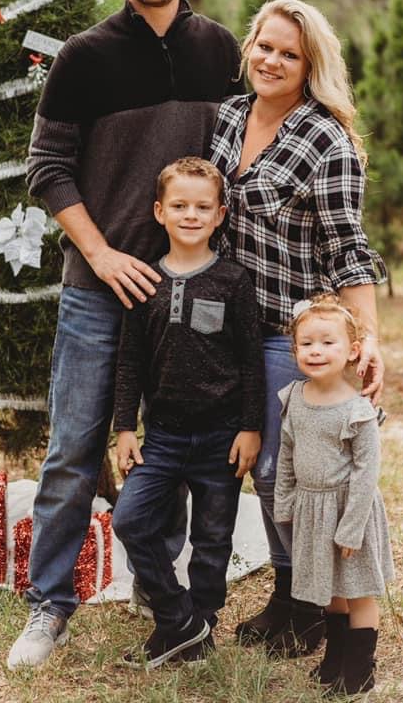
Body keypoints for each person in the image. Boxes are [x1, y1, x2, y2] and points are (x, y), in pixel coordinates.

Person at [8, 0, 241, 670]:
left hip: (187, 291)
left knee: (172, 439)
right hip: (98, 288)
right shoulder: (84, 56)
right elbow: (46, 167)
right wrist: (102, 253)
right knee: (75, 448)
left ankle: (155, 583)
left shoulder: (220, 50)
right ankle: (50, 604)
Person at [208, 0, 387, 656]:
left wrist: (366, 338)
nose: (273, 61)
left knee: (290, 468)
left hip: (292, 333)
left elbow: (348, 249)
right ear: (249, 47)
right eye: (265, 46)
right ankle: (290, 593)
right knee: (253, 468)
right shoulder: (228, 117)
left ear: (310, 66)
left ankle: (310, 605)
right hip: (228, 329)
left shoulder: (324, 139)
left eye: (290, 54)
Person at [111, 157, 265, 668]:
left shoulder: (233, 281)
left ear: (220, 215)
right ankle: (178, 618)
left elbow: (251, 362)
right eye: (179, 206)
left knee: (212, 539)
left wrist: (251, 427)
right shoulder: (145, 282)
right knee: (131, 520)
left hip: (222, 436)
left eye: (202, 207)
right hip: (163, 437)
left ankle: (201, 626)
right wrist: (124, 428)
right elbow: (129, 362)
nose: (191, 215)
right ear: (160, 212)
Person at [274, 293, 394, 695]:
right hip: (312, 509)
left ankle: (359, 670)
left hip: (348, 511)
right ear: (294, 350)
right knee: (329, 591)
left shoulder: (357, 411)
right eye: (306, 343)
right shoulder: (294, 398)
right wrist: (285, 503)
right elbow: (286, 454)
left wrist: (351, 528)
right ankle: (335, 659)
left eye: (328, 342)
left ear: (352, 351)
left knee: (357, 591)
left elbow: (366, 474)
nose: (316, 351)